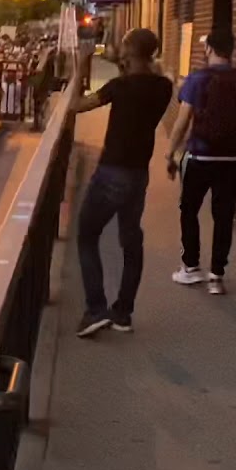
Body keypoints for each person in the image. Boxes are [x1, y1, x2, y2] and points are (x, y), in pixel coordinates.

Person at [70, 28, 173, 337]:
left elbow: (76, 104)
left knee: (87, 235)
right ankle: (122, 312)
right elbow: (142, 78)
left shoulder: (118, 87)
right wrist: (126, 61)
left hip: (111, 172)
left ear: (128, 52)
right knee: (131, 241)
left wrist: (81, 65)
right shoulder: (163, 87)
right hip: (138, 175)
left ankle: (95, 309)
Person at [166, 30, 236, 295]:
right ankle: (217, 276)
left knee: (189, 210)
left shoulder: (198, 78)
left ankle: (191, 268)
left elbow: (182, 121)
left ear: (209, 49)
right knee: (224, 216)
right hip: (233, 159)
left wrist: (170, 154)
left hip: (200, 157)